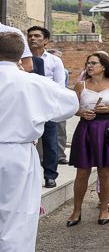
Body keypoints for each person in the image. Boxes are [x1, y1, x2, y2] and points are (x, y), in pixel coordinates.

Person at [0, 33, 77, 252]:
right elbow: (69, 103)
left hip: (13, 147)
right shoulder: (31, 81)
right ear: (24, 56)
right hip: (16, 151)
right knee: (17, 216)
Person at [67, 51, 109, 227]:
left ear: (104, 66)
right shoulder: (81, 85)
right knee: (82, 172)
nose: (90, 66)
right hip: (86, 128)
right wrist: (81, 112)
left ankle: (104, 208)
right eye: (88, 63)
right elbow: (71, 108)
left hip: (106, 129)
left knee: (105, 171)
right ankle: (76, 210)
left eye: (93, 63)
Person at [26, 26, 66, 188]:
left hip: (47, 105)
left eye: (37, 36)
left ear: (46, 41)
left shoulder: (54, 61)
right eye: (30, 36)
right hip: (27, 106)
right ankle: (28, 174)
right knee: (27, 140)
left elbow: (59, 86)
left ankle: (50, 175)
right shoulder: (22, 60)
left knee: (50, 141)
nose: (32, 38)